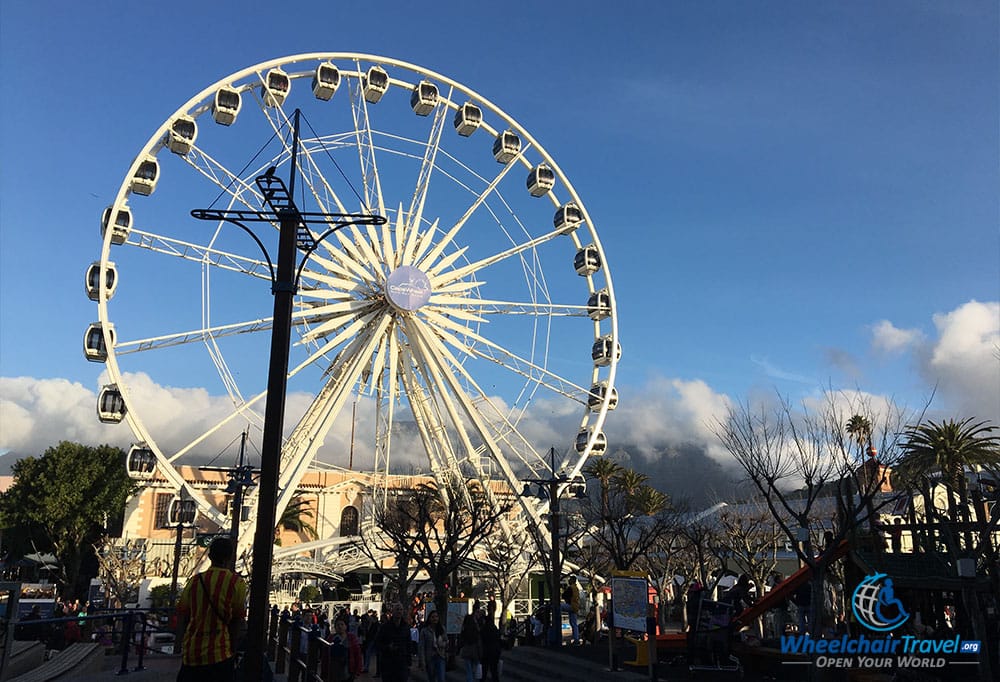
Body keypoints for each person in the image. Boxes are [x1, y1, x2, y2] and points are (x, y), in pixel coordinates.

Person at [175, 537, 248, 682]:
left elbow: (182, 615)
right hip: (220, 653)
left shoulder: (194, 582)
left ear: (209, 556)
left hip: (192, 653)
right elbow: (237, 620)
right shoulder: (236, 584)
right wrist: (233, 649)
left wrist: (183, 643)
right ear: (229, 557)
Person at [376, 602, 413, 682]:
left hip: (402, 662)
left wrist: (409, 662)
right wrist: (387, 647)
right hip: (388, 663)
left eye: (401, 610)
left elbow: (409, 644)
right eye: (397, 609)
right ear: (392, 611)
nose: (399, 611)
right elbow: (378, 643)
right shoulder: (385, 627)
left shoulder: (406, 627)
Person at [418, 610, 447, 682]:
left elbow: (446, 641)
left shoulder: (442, 629)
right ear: (429, 618)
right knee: (432, 678)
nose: (435, 619)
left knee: (441, 678)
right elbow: (421, 647)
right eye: (433, 617)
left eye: (436, 617)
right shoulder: (424, 631)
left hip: (440, 656)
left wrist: (443, 644)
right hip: (430, 658)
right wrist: (422, 661)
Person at [479, 603, 502, 682]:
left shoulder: (484, 629)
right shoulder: (495, 628)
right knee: (494, 670)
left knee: (484, 670)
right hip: (495, 651)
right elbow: (499, 638)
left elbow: (481, 639)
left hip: (486, 651)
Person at [459, 611, 481, 682]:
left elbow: (461, 640)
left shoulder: (464, 629)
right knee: (475, 669)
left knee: (469, 670)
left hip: (466, 650)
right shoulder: (476, 629)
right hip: (475, 651)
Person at [562, 576, 581, 645]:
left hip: (571, 605)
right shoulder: (576, 588)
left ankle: (557, 621)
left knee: (559, 606)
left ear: (573, 580)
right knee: (574, 623)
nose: (569, 581)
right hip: (575, 607)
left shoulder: (571, 588)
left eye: (570, 579)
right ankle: (576, 639)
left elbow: (564, 595)